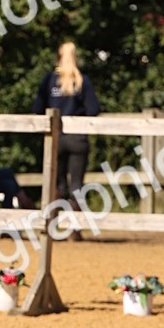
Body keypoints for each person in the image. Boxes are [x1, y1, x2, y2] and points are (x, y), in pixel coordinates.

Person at [32, 42, 100, 206]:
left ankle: (52, 225)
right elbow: (93, 109)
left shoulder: (49, 80)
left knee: (57, 184)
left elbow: (37, 108)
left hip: (55, 139)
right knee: (76, 186)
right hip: (77, 139)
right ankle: (75, 229)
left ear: (58, 57)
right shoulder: (82, 81)